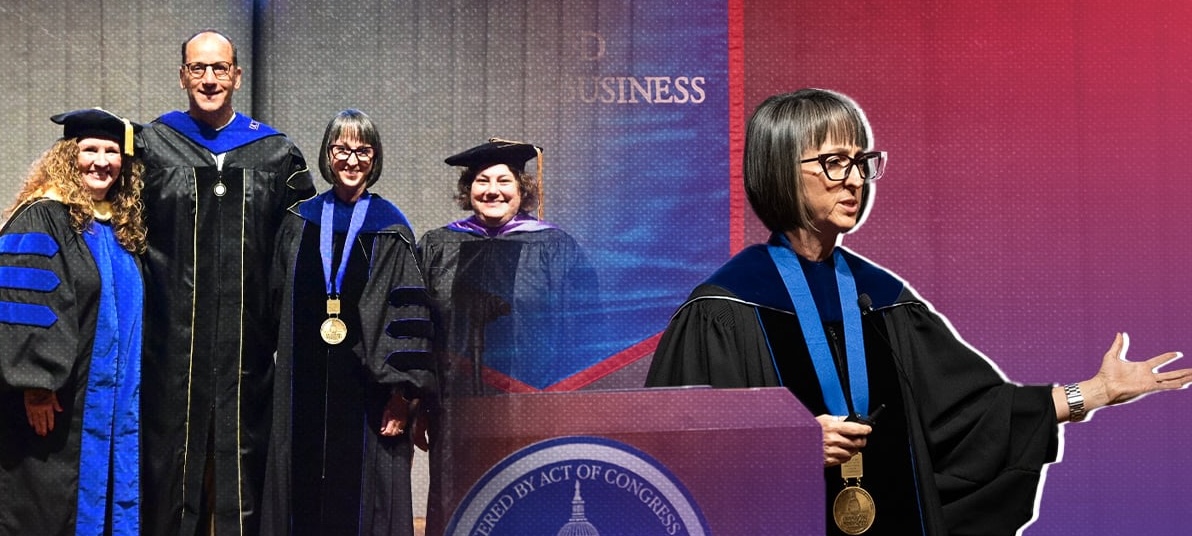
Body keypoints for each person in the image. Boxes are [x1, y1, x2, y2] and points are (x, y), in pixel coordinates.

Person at [644, 88, 1192, 535]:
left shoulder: (883, 300)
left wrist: (1093, 392)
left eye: (862, 162)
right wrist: (789, 445)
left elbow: (972, 415)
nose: (856, 180)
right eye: (835, 163)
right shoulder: (724, 309)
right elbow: (680, 458)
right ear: (780, 169)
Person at [136, 29, 316, 536]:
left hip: (248, 345)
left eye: (219, 68)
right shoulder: (153, 145)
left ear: (237, 75)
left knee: (246, 464)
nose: (209, 79)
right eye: (198, 68)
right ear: (182, 76)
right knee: (169, 462)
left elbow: (295, 252)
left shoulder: (277, 153)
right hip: (169, 346)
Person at [261, 109, 435, 536]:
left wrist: (403, 394)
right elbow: (271, 304)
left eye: (362, 150)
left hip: (366, 394)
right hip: (302, 385)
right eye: (342, 149)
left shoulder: (390, 229)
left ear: (374, 159)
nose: (351, 160)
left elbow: (408, 317)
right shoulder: (299, 221)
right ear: (327, 155)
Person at [0, 109, 146, 535]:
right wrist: (36, 383)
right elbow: (20, 297)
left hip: (113, 403)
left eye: (112, 151)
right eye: (89, 150)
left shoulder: (120, 228)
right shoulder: (43, 216)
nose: (101, 161)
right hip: (59, 405)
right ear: (68, 155)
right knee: (48, 508)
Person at [418, 139, 598, 396]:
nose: (492, 191)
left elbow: (581, 330)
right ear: (468, 190)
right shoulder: (438, 246)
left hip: (534, 400)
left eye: (504, 181)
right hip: (451, 403)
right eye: (482, 181)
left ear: (522, 189)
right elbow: (417, 326)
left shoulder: (552, 247)